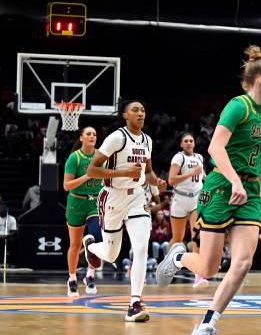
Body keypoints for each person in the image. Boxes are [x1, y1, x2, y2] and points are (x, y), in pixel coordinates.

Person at [156, 45, 261, 335]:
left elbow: (258, 157)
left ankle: (206, 327)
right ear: (260, 80)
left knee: (243, 263)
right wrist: (235, 179)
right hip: (222, 187)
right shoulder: (238, 106)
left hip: (248, 193)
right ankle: (179, 258)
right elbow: (214, 148)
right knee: (209, 268)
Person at [84, 100, 167, 322]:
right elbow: (92, 170)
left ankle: (134, 303)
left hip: (137, 197)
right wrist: (121, 173)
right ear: (125, 115)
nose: (141, 113)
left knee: (141, 249)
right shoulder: (117, 138)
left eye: (143, 110)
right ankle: (91, 246)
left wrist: (156, 181)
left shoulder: (147, 140)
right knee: (112, 255)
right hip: (112, 197)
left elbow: (147, 171)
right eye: (135, 110)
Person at [63, 126, 103, 296]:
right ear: (81, 138)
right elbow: (66, 186)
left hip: (94, 202)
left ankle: (90, 275)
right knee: (75, 244)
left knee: (96, 237)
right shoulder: (75, 158)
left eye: (94, 134)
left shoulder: (101, 156)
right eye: (88, 134)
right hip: (76, 203)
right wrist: (87, 176)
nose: (92, 136)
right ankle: (72, 278)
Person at [167, 132, 207, 287]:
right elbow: (171, 180)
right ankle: (168, 265)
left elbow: (203, 176)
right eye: (186, 141)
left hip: (196, 199)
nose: (189, 143)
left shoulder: (199, 158)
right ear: (181, 144)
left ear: (194, 143)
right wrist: (191, 173)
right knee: (178, 239)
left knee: (196, 236)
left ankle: (198, 275)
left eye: (191, 140)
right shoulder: (178, 158)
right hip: (180, 199)